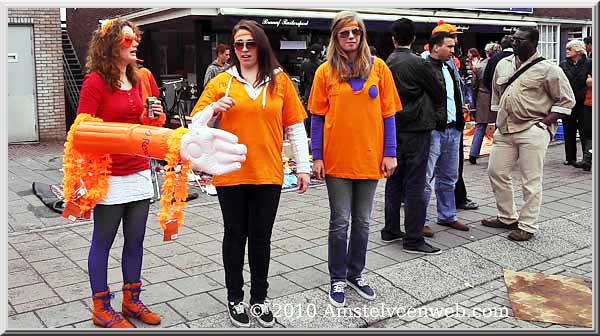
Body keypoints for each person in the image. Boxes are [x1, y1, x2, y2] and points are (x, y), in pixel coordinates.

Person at [76, 18, 246, 329]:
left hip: (140, 172)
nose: (135, 44)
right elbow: (82, 131)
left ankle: (131, 300)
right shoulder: (95, 82)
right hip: (110, 176)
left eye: (135, 39)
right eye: (128, 40)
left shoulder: (141, 78)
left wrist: (153, 118)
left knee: (136, 241)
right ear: (110, 45)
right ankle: (101, 307)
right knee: (103, 241)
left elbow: (152, 128)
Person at [190, 19, 310, 328]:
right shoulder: (222, 82)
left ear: (261, 45)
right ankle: (234, 298)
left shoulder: (280, 81)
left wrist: (304, 167)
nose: (244, 50)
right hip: (230, 172)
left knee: (261, 238)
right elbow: (194, 126)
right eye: (238, 45)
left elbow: (295, 127)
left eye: (250, 44)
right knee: (234, 236)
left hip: (268, 172)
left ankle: (259, 299)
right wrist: (213, 108)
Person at [309, 11, 401, 307]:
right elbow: (317, 118)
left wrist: (391, 152)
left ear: (362, 35)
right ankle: (337, 276)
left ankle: (355, 273)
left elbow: (388, 115)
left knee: (362, 222)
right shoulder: (325, 72)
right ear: (335, 38)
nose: (350, 38)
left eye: (355, 32)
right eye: (344, 33)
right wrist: (316, 157)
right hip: (336, 161)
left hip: (371, 159)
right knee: (340, 222)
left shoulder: (380, 68)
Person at [482, 27, 575, 241]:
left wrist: (544, 124)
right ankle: (507, 217)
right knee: (496, 172)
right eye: (513, 39)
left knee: (530, 180)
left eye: (520, 40)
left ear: (533, 43)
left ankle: (528, 225)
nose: (514, 43)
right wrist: (494, 122)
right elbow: (497, 96)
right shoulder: (503, 64)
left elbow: (566, 100)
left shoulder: (548, 69)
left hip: (532, 128)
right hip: (505, 128)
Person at [382, 18, 443, 255]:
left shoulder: (386, 63)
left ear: (393, 38)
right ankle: (414, 239)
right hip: (417, 127)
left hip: (394, 127)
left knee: (394, 180)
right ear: (414, 38)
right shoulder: (419, 63)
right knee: (416, 183)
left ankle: (390, 229)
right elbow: (437, 91)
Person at [422, 32, 470, 238]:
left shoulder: (449, 66)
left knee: (449, 176)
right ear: (435, 47)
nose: (453, 50)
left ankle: (447, 214)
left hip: (453, 128)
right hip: (433, 130)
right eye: (449, 46)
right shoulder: (422, 67)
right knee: (425, 177)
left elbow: (456, 94)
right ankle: (420, 220)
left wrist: (461, 120)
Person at [469, 42, 501, 164]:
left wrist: (474, 103)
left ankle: (473, 153)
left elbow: (473, 85)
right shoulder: (500, 65)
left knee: (480, 126)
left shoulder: (479, 65)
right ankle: (498, 155)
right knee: (500, 126)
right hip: (497, 97)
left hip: (482, 97)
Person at [560, 39, 589, 167]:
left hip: (584, 102)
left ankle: (587, 158)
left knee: (585, 130)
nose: (566, 51)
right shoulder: (563, 65)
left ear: (577, 50)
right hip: (568, 101)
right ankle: (570, 157)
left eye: (569, 49)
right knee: (568, 129)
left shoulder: (589, 63)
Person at [299, 43, 322, 136]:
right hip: (318, 91)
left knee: (308, 115)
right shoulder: (321, 65)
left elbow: (302, 79)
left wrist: (302, 93)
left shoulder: (304, 64)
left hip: (308, 92)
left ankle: (308, 134)